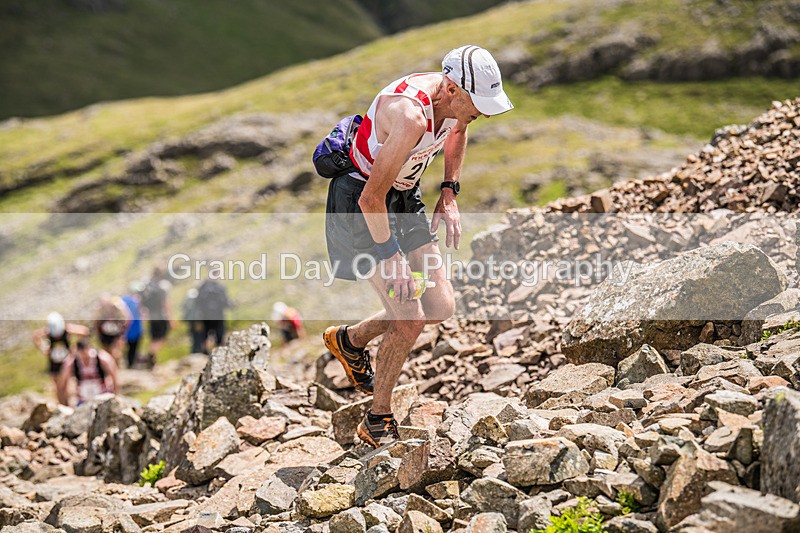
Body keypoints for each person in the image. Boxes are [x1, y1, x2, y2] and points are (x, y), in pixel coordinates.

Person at [322, 45, 513, 447]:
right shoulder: (410, 116)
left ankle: (350, 340)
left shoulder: (456, 105)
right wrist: (391, 256)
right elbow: (370, 199)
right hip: (362, 202)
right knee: (409, 317)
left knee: (440, 306)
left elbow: (458, 131)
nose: (483, 114)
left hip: (404, 197)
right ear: (452, 89)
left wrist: (449, 191)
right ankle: (377, 419)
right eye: (478, 105)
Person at [32, 312, 89, 405]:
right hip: (54, 363)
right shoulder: (48, 332)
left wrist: (75, 349)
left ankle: (69, 405)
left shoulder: (67, 329)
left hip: (66, 363)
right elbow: (36, 336)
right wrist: (43, 349)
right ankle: (62, 405)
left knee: (67, 386)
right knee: (58, 387)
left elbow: (84, 331)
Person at [59, 339, 118, 405]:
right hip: (82, 398)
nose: (84, 357)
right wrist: (65, 402)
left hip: (102, 396)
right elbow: (63, 382)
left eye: (86, 354)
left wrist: (115, 394)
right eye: (82, 355)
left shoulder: (102, 358)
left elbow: (114, 375)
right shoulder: (72, 361)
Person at [140, 266, 175, 368]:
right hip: (161, 316)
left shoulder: (148, 286)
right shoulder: (162, 287)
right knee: (161, 337)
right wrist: (170, 319)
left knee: (154, 337)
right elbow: (165, 303)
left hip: (151, 316)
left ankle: (151, 357)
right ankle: (150, 355)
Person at [196, 272, 231, 353]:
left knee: (205, 335)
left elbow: (198, 302)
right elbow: (225, 302)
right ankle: (219, 352)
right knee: (219, 335)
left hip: (205, 316)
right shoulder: (220, 287)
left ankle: (205, 352)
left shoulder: (203, 286)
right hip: (218, 315)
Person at [95, 294, 131, 366]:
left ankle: (116, 367)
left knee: (116, 352)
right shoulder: (101, 310)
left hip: (116, 334)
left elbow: (127, 318)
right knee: (106, 353)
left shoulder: (117, 307)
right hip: (105, 334)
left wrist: (123, 330)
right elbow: (96, 321)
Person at [121, 283, 144, 368]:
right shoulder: (136, 300)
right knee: (133, 347)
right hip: (135, 327)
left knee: (125, 346)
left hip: (125, 327)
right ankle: (131, 363)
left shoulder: (122, 299)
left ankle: (127, 361)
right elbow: (141, 313)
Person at [182, 287, 205, 354]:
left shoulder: (189, 296)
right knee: (200, 335)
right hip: (198, 319)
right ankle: (199, 350)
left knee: (194, 335)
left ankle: (194, 350)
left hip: (191, 319)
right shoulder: (199, 296)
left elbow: (183, 307)